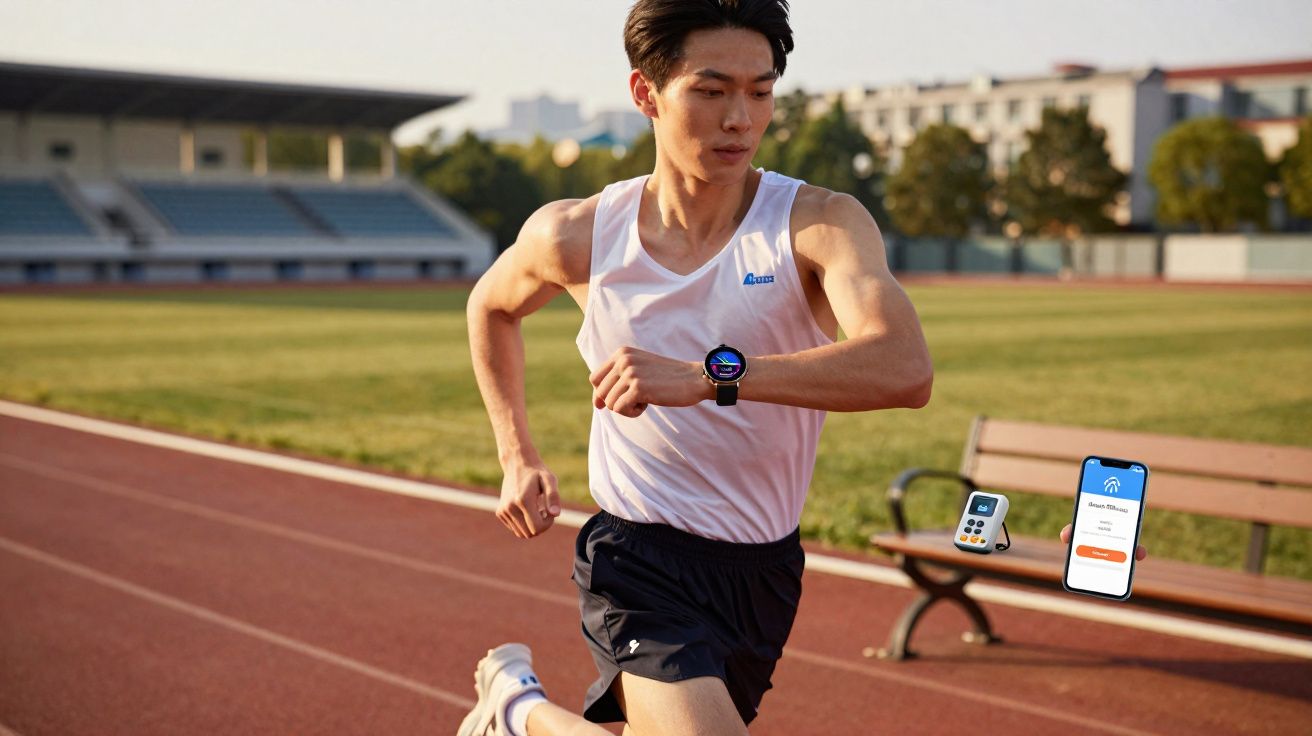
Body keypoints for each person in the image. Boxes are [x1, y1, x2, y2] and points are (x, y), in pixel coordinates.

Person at [460, 2, 934, 734]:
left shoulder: (817, 224)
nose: (740, 118)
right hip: (638, 554)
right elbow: (491, 308)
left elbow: (905, 368)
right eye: (711, 92)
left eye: (761, 91)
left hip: (764, 568)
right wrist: (515, 454)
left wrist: (713, 377)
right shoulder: (580, 236)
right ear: (646, 94)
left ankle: (517, 710)